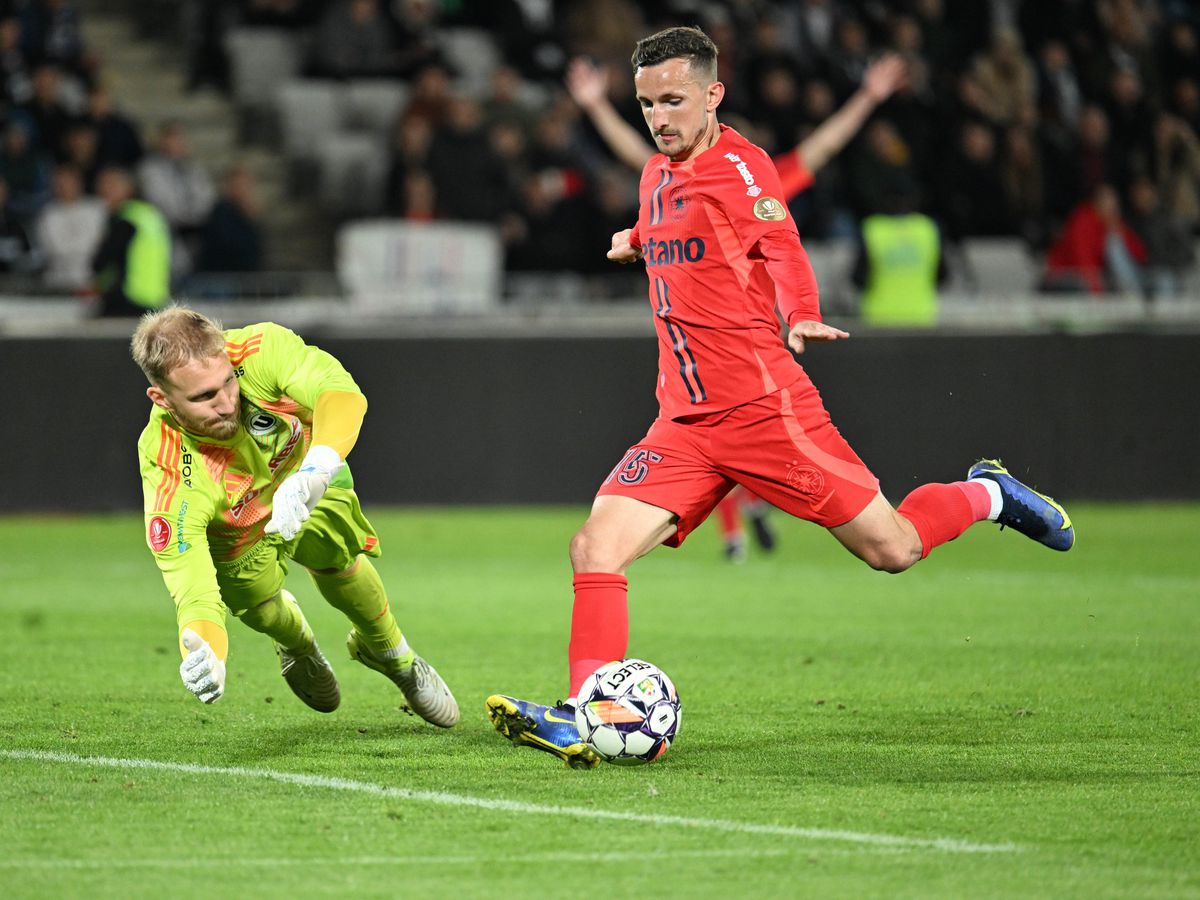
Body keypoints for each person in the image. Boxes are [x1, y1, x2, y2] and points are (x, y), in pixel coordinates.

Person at [486, 26, 1074, 769]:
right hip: (684, 423)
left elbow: (779, 244)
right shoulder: (656, 176)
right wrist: (637, 239)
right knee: (594, 547)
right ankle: (579, 711)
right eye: (646, 105)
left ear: (712, 95)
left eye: (673, 101)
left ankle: (988, 494)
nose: (659, 118)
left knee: (891, 549)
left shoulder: (741, 165)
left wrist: (798, 311)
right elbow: (678, 228)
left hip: (767, 411)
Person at [130, 306, 459, 726]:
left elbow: (338, 392)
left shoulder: (260, 349)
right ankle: (297, 643)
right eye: (204, 397)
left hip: (303, 475)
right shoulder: (170, 470)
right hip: (238, 532)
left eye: (227, 382)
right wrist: (206, 653)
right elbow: (193, 592)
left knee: (336, 552)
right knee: (259, 608)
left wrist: (318, 467)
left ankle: (395, 655)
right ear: (162, 398)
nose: (227, 403)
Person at [564, 50, 908, 202]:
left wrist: (868, 96)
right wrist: (596, 105)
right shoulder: (687, 177)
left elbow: (825, 143)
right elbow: (637, 153)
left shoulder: (765, 182)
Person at [851, 189, 948, 326]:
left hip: (878, 316)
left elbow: (858, 278)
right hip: (921, 314)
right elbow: (943, 275)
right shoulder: (927, 228)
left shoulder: (873, 228)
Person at [90, 165, 170, 317]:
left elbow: (102, 261)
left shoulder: (126, 219)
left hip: (126, 300)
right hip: (155, 300)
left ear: (127, 188)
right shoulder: (150, 215)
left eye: (110, 186)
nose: (103, 192)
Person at [35, 162, 106, 291]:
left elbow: (97, 242)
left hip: (92, 279)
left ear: (79, 183)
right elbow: (56, 248)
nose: (65, 187)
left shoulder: (97, 208)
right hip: (57, 281)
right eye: (59, 183)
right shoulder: (48, 213)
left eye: (69, 182)